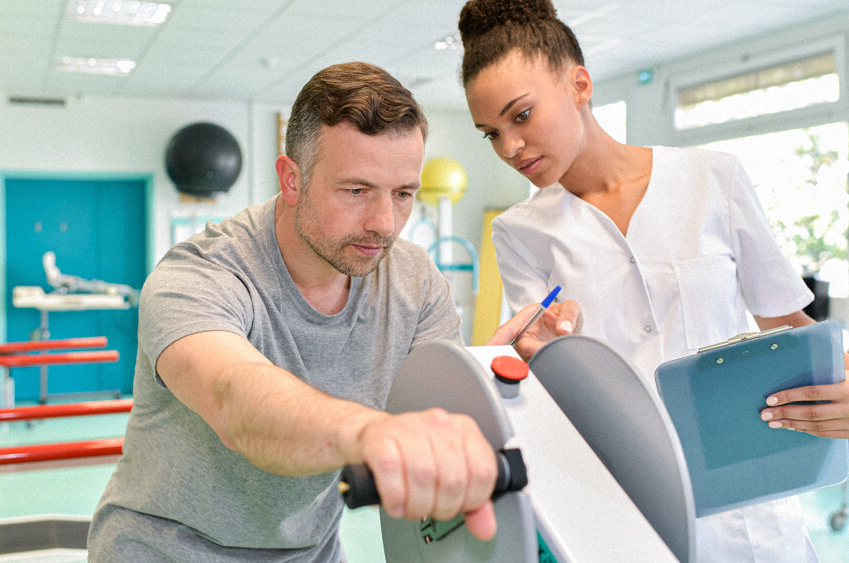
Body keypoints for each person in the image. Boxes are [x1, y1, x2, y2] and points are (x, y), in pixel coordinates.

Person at [87, 61, 577, 561]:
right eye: (356, 191)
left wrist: (492, 379)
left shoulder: (413, 279)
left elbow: (432, 411)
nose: (384, 223)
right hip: (164, 551)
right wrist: (370, 433)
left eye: (403, 194)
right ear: (291, 179)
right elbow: (235, 402)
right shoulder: (198, 276)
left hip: (309, 553)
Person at [457, 1, 849, 561]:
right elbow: (543, 375)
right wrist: (545, 357)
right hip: (626, 501)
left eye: (522, 116)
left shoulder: (713, 179)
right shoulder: (520, 232)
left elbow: (789, 325)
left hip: (749, 504)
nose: (509, 147)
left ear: (579, 84)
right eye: (490, 133)